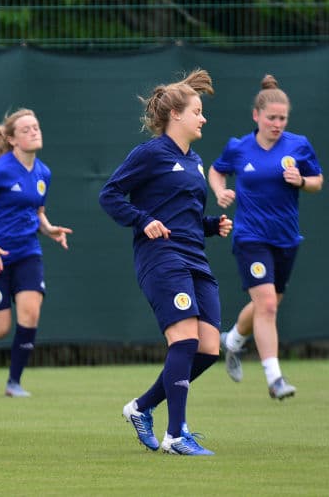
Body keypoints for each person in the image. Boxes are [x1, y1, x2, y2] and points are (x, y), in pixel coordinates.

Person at [99, 69, 231, 456]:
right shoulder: (151, 153)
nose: (203, 118)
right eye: (197, 112)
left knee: (208, 349)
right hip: (161, 257)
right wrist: (143, 220)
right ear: (175, 114)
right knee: (184, 340)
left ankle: (142, 407)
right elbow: (110, 195)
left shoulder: (195, 161)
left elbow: (184, 216)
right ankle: (176, 435)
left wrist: (211, 225)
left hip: (195, 257)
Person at [209, 75, 322, 400]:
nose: (277, 124)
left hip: (286, 239)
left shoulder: (298, 145)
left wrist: (302, 181)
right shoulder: (239, 147)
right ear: (256, 115)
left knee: (268, 304)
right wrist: (220, 191)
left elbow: (318, 181)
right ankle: (275, 379)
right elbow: (216, 170)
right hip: (250, 238)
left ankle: (232, 341)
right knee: (268, 305)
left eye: (282, 118)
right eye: (272, 118)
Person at [0, 110, 72, 397]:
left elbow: (37, 210)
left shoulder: (43, 173)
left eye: (36, 127)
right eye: (26, 129)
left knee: (31, 313)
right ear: (11, 139)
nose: (34, 132)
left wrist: (48, 229)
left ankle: (14, 383)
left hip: (27, 253)